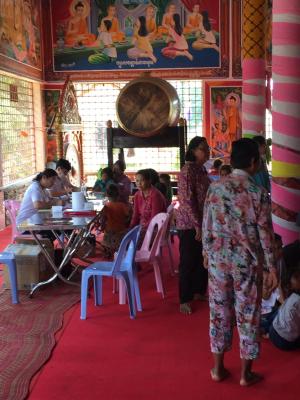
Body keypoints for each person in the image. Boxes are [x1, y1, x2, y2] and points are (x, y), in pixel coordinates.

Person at [202, 138, 277, 386]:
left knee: (219, 312)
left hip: (218, 262)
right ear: (254, 162)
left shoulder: (215, 188)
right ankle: (246, 375)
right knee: (248, 314)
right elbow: (265, 234)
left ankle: (217, 369)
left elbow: (207, 224)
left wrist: (206, 252)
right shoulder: (257, 193)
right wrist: (271, 268)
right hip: (246, 263)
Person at [176, 136, 210, 315]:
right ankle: (185, 298)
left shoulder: (201, 169)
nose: (207, 151)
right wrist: (197, 224)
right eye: (204, 148)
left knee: (201, 259)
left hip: (202, 222)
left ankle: (198, 291)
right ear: (193, 150)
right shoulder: (188, 170)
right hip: (189, 224)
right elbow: (187, 201)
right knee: (188, 261)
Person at [130, 169, 167, 239]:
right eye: (137, 181)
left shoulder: (155, 195)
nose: (139, 183)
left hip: (155, 228)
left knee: (125, 240)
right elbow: (136, 215)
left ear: (149, 181)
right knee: (123, 235)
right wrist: (131, 227)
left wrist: (140, 228)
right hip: (142, 226)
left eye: (142, 180)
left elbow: (154, 219)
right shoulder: (137, 195)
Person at [269, 268, 300, 350]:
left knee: (279, 311)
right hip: (284, 341)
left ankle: (265, 330)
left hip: (272, 331)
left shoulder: (293, 296)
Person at [97, 184, 131, 259]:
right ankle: (120, 253)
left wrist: (102, 227)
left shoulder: (106, 206)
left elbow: (103, 219)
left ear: (107, 195)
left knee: (107, 243)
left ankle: (107, 253)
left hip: (109, 230)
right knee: (120, 243)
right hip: (120, 229)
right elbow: (129, 215)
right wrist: (126, 222)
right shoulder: (122, 205)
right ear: (118, 195)